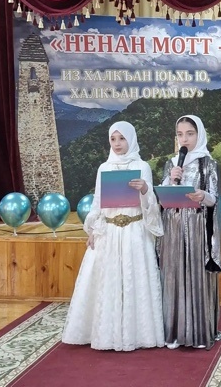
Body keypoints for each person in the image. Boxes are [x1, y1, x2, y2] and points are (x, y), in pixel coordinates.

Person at [62, 121, 165, 351]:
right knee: (106, 280)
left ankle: (138, 334)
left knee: (134, 279)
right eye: (113, 139)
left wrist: (145, 189)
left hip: (135, 231)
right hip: (109, 231)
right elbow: (98, 202)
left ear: (131, 139)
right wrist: (93, 230)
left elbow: (151, 205)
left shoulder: (142, 166)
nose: (117, 144)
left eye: (122, 138)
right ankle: (106, 334)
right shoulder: (104, 168)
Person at [158, 114, 221, 350]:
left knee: (196, 274)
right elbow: (161, 199)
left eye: (190, 134)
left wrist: (202, 196)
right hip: (174, 227)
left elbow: (214, 198)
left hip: (197, 228)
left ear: (199, 134)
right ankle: (174, 331)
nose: (184, 139)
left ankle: (197, 332)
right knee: (174, 274)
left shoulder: (208, 163)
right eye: (180, 134)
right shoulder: (172, 164)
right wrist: (170, 181)